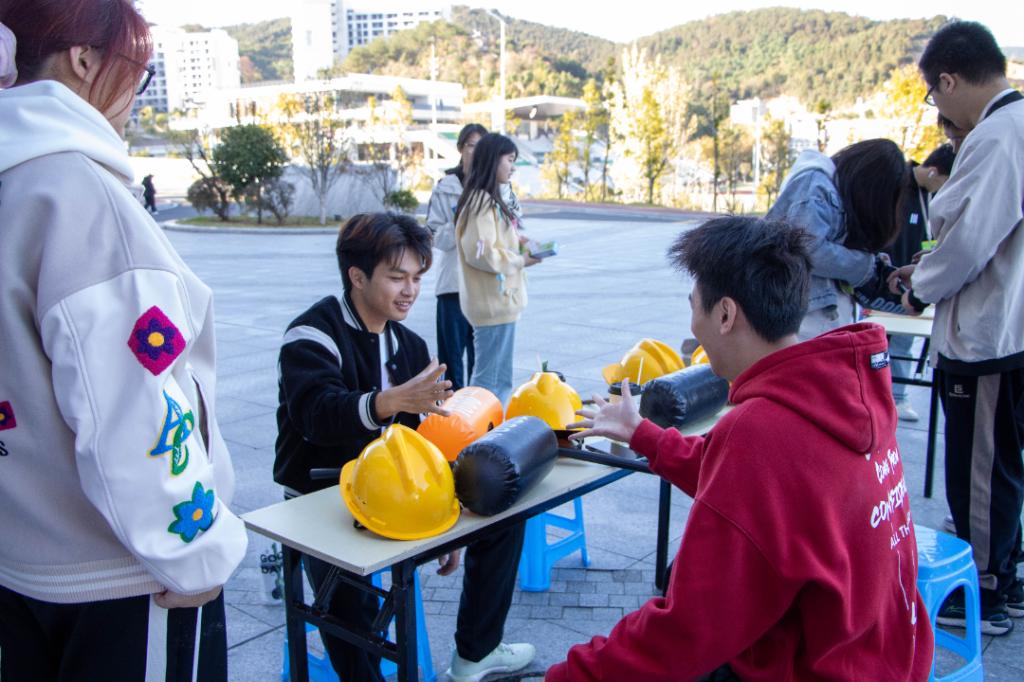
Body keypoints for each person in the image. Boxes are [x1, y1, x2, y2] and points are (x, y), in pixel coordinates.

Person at [549, 216, 932, 681]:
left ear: (726, 315)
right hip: (884, 657)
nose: (693, 325)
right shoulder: (845, 392)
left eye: (694, 306)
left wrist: (566, 676)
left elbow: (687, 630)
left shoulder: (762, 430)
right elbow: (758, 491)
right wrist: (643, 434)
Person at [0, 2, 248, 680]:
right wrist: (197, 556)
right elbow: (133, 403)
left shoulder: (13, 180)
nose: (137, 94)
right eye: (138, 70)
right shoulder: (78, 193)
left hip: (21, 557)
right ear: (84, 59)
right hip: (119, 576)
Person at [274, 212, 534, 682]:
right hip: (322, 496)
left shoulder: (409, 344)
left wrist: (447, 509)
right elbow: (315, 416)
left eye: (416, 277)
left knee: (503, 517)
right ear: (357, 276)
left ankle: (475, 654)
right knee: (350, 612)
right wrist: (390, 401)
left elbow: (424, 438)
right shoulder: (311, 334)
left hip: (398, 493)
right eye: (397, 277)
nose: (410, 290)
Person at [889, 19, 1024, 636]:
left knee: (979, 468)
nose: (939, 111)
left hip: (987, 335)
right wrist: (930, 269)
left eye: (933, 96)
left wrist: (918, 285)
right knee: (1005, 463)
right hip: (1009, 327)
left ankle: (985, 593)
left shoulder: (996, 136)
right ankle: (1006, 578)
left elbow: (969, 242)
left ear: (947, 80)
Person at [765, 138, 907, 340]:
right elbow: (805, 248)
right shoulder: (816, 184)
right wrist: (864, 266)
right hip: (803, 323)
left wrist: (871, 264)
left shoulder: (828, 189)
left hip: (813, 321)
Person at [455, 133, 539, 403]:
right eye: (510, 160)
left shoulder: (486, 199)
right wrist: (520, 260)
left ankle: (488, 424)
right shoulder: (481, 202)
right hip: (493, 303)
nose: (513, 167)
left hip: (499, 302)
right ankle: (477, 425)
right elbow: (480, 253)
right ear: (493, 160)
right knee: (489, 382)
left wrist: (517, 243)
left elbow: (488, 245)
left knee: (498, 380)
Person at [885, 144, 956, 422]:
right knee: (879, 343)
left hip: (914, 281)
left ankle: (898, 397)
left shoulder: (930, 195)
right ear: (934, 172)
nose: (944, 188)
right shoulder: (897, 184)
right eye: (944, 182)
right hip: (888, 277)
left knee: (903, 343)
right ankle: (880, 396)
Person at [426, 123, 488, 391]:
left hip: (484, 287)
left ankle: (480, 409)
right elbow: (434, 236)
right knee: (451, 360)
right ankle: (452, 412)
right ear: (461, 148)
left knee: (482, 361)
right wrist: (462, 221)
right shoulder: (445, 187)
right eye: (471, 145)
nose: (476, 151)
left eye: (481, 146)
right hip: (452, 285)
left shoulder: (493, 186)